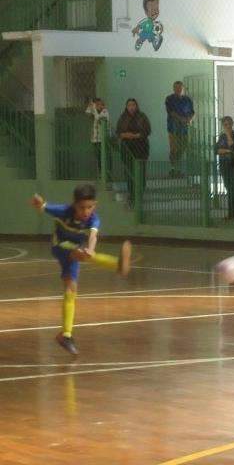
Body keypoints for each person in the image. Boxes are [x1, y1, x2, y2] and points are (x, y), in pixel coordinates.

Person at [30, 185, 132, 355]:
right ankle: (117, 265)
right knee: (79, 253)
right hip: (60, 247)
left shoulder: (94, 219)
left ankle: (66, 335)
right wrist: (39, 203)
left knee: (71, 289)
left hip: (76, 251)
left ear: (95, 205)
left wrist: (91, 249)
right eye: (82, 207)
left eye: (90, 207)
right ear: (74, 205)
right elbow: (44, 206)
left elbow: (93, 236)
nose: (86, 211)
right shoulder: (63, 211)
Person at [116, 98, 151, 206]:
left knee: (140, 171)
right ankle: (132, 194)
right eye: (129, 105)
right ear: (126, 107)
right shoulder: (123, 117)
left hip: (141, 148)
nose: (131, 107)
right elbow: (118, 131)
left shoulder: (142, 116)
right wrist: (126, 135)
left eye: (133, 105)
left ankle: (139, 194)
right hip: (127, 148)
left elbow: (147, 130)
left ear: (137, 106)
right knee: (129, 171)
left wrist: (136, 136)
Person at [165, 81, 195, 177]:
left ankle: (178, 169)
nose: (178, 89)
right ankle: (173, 169)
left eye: (180, 88)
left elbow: (192, 112)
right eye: (176, 88)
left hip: (184, 129)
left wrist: (189, 119)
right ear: (173, 88)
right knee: (174, 149)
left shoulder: (188, 99)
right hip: (173, 128)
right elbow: (171, 112)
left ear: (183, 88)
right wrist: (182, 119)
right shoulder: (169, 99)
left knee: (183, 148)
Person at [215, 116, 234, 219]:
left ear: (232, 124)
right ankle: (231, 213)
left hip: (233, 165)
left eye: (229, 124)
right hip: (224, 165)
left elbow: (233, 147)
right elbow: (217, 150)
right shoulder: (221, 137)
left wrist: (228, 136)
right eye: (225, 125)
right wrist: (228, 151)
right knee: (229, 189)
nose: (227, 126)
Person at [85, 98, 110, 175]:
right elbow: (87, 113)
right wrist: (90, 106)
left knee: (104, 157)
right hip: (95, 139)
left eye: (100, 104)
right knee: (98, 157)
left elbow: (99, 120)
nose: (99, 106)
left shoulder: (105, 112)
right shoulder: (95, 111)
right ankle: (100, 173)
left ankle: (106, 173)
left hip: (103, 139)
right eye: (97, 104)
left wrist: (94, 110)